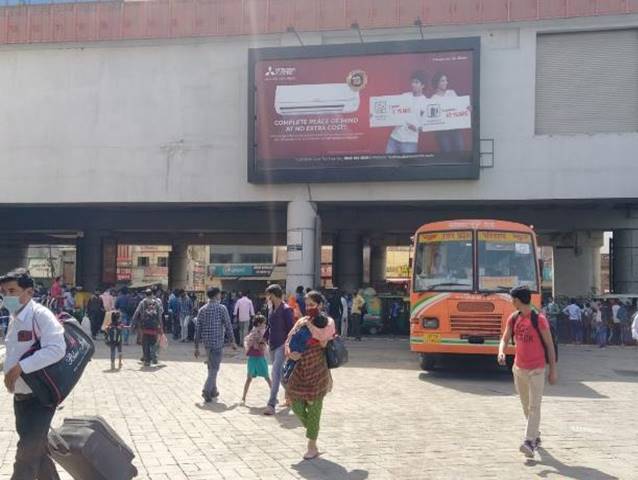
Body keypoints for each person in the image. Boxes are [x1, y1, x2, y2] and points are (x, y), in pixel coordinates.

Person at [1, 269, 65, 480]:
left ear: (28, 292)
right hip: (20, 397)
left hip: (41, 397)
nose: (6, 296)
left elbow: (56, 348)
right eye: (3, 291)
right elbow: (14, 350)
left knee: (26, 455)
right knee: (37, 450)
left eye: (12, 290)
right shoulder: (14, 317)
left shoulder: (40, 315)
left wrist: (19, 367)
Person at [498, 286, 557, 459]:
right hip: (519, 369)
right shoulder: (514, 318)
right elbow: (505, 338)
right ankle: (535, 436)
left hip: (537, 369)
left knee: (534, 406)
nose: (511, 302)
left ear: (517, 300)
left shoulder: (539, 320)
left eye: (512, 299)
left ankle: (529, 441)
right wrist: (501, 351)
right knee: (526, 406)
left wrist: (553, 370)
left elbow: (549, 346)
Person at [284, 291, 336, 460]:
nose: (309, 308)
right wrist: (290, 352)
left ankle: (311, 446)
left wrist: (310, 326)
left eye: (312, 304)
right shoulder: (301, 321)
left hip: (317, 369)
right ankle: (313, 431)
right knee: (294, 402)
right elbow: (289, 338)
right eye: (307, 305)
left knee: (314, 407)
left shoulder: (328, 322)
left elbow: (324, 339)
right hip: (299, 368)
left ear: (320, 305)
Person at [194, 287, 238, 402]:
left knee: (211, 367)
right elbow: (228, 326)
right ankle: (206, 390)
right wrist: (232, 341)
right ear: (216, 295)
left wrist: (196, 347)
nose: (220, 296)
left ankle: (214, 390)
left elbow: (198, 329)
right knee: (214, 368)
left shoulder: (202, 309)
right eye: (219, 294)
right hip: (217, 342)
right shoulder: (221, 308)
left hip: (207, 343)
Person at [263, 284, 295, 416]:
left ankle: (271, 404)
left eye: (268, 295)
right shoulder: (271, 309)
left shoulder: (287, 310)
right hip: (272, 344)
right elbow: (269, 327)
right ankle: (293, 396)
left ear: (273, 295)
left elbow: (291, 329)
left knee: (275, 372)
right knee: (280, 375)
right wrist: (264, 338)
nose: (267, 298)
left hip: (282, 344)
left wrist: (290, 346)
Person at [385, 71, 428, 154]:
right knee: (387, 163)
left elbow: (427, 125)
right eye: (412, 82)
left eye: (416, 82)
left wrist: (417, 129)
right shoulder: (404, 96)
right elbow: (391, 110)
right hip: (394, 138)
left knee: (408, 166)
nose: (413, 84)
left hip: (410, 142)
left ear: (423, 85)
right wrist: (376, 116)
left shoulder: (426, 102)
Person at [431, 72, 465, 153]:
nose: (446, 82)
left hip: (455, 128)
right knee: (446, 152)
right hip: (442, 131)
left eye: (446, 80)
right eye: (443, 81)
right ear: (437, 83)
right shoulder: (432, 99)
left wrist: (467, 108)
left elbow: (460, 107)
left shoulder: (452, 93)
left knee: (460, 149)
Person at [241, 314, 271, 404]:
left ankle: (243, 397)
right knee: (266, 377)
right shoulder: (258, 332)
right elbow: (260, 343)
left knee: (249, 378)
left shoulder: (256, 332)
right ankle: (274, 395)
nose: (265, 324)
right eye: (263, 323)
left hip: (253, 357)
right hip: (258, 357)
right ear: (259, 324)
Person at [132, 289, 164, 366]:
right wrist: (161, 325)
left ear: (145, 295)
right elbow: (160, 315)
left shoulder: (142, 302)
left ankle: (147, 360)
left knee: (145, 343)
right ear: (152, 294)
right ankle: (154, 358)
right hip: (154, 326)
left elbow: (136, 312)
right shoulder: (157, 303)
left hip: (144, 326)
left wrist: (133, 322)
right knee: (154, 342)